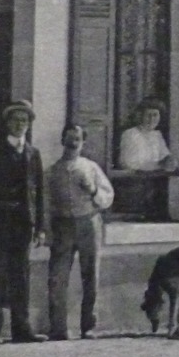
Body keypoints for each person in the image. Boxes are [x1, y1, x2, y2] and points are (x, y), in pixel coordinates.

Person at [0, 100, 47, 344]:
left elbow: (38, 193)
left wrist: (40, 227)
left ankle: (21, 328)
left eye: (24, 121)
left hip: (23, 221)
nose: (20, 125)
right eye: (16, 120)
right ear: (7, 123)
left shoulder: (32, 154)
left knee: (21, 275)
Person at [45, 122, 115, 340]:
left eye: (77, 138)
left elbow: (108, 197)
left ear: (83, 142)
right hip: (63, 225)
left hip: (89, 223)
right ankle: (58, 328)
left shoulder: (91, 167)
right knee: (57, 277)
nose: (73, 142)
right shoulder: (52, 171)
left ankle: (89, 326)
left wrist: (93, 190)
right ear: (62, 140)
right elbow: (46, 204)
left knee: (90, 275)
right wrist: (47, 228)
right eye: (69, 137)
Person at [118, 98, 179, 175]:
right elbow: (128, 164)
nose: (152, 119)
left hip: (155, 179)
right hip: (135, 180)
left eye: (155, 115)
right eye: (148, 115)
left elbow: (165, 157)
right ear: (140, 116)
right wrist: (159, 165)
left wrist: (170, 161)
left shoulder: (157, 135)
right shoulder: (130, 134)